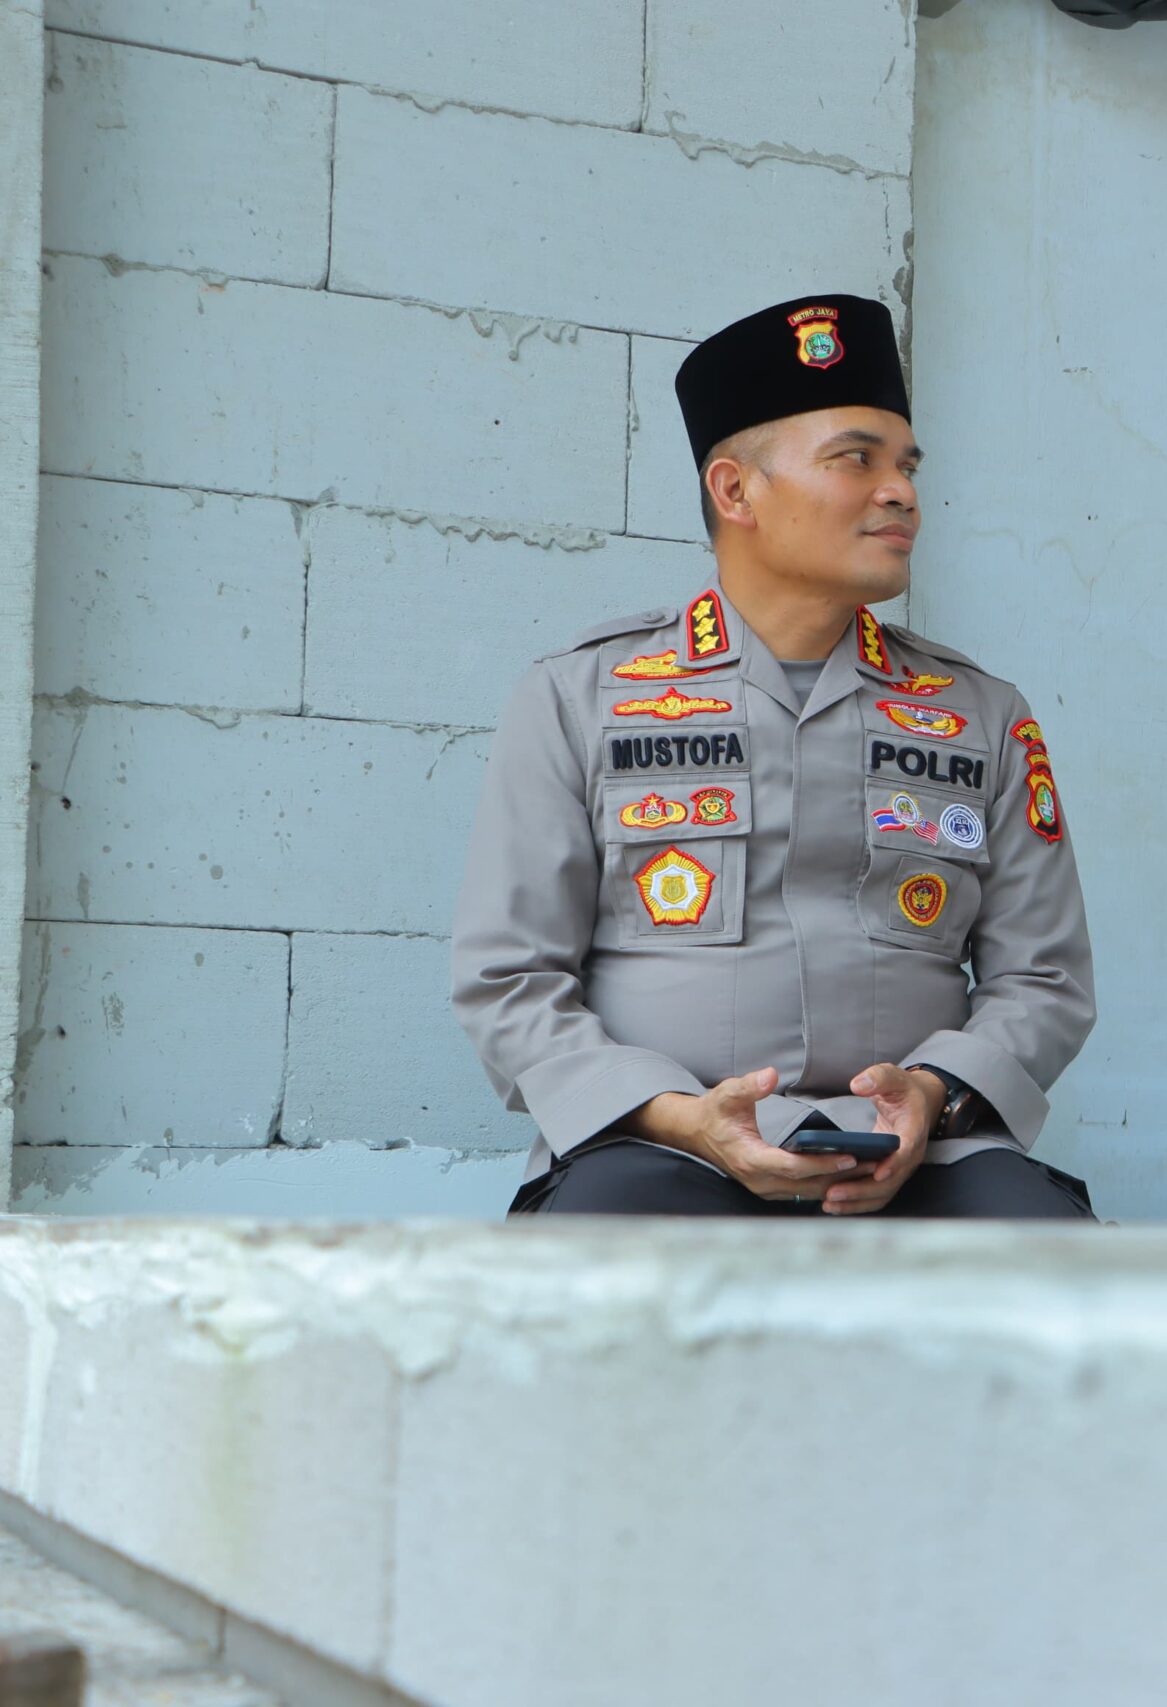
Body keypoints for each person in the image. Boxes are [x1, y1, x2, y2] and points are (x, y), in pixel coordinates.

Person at [452, 293, 1098, 1218]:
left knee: (1051, 1254)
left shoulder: (980, 714)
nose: (901, 492)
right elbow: (510, 977)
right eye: (856, 459)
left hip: (925, 1155)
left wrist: (933, 1095)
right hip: (657, 1147)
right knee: (594, 1259)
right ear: (734, 491)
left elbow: (1044, 977)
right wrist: (682, 1118)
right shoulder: (580, 697)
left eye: (906, 465)